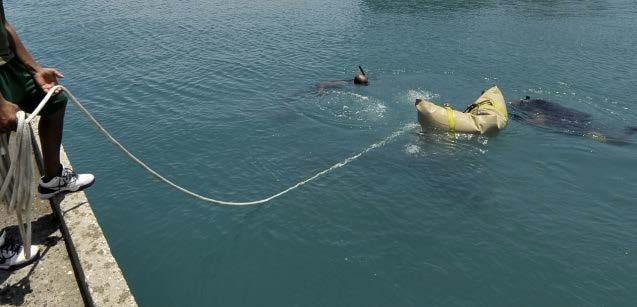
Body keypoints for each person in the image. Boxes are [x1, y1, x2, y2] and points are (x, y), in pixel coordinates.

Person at [0, 1, 94, 270]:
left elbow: (4, 26)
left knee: (53, 102)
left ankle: (53, 179)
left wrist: (34, 69)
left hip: (8, 67)